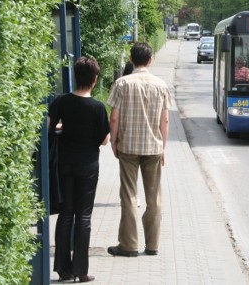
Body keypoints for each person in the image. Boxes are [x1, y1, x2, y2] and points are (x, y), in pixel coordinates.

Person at [107, 42, 172, 258]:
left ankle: (129, 245)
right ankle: (153, 245)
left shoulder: (122, 84)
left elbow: (114, 116)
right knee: (154, 197)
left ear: (131, 60)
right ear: (151, 60)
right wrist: (163, 147)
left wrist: (114, 142)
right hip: (153, 147)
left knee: (129, 194)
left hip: (128, 147)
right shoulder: (161, 85)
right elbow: (165, 119)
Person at [49, 57, 110, 283]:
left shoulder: (61, 102)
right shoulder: (97, 107)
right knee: (83, 217)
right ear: (94, 80)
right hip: (88, 166)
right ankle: (81, 270)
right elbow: (104, 140)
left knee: (66, 215)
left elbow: (48, 127)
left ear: (75, 76)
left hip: (65, 165)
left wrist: (63, 126)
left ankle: (63, 270)